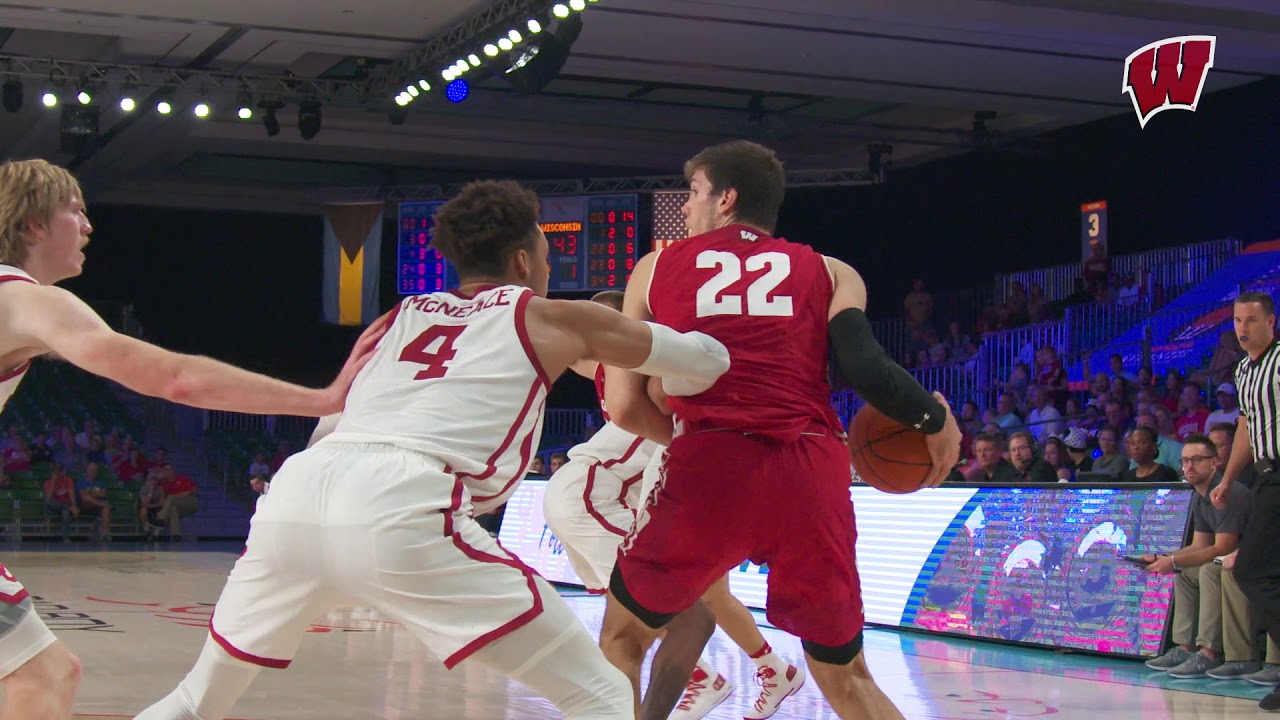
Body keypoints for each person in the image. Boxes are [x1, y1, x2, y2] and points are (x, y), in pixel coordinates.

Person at [134, 179, 732, 720]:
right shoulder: (552, 316)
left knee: (195, 701)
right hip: (401, 500)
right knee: (599, 694)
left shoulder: (399, 316)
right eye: (547, 257)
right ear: (524, 259)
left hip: (299, 491)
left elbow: (339, 416)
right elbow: (705, 359)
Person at [0, 158, 383, 720]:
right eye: (75, 211)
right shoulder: (28, 300)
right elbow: (172, 377)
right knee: (44, 675)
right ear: (34, 226)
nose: (87, 226)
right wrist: (323, 399)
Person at [598, 140, 962, 720]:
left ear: (727, 198)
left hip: (709, 469)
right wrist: (934, 419)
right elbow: (866, 368)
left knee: (621, 640)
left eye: (693, 195)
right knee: (849, 679)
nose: (686, 210)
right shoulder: (831, 270)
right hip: (809, 472)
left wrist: (698, 441)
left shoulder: (655, 268)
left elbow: (622, 404)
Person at [544, 292, 806, 720]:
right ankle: (770, 669)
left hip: (691, 474)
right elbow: (567, 341)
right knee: (711, 595)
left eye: (601, 324)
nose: (591, 335)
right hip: (667, 486)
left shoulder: (651, 360)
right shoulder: (599, 364)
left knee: (669, 595)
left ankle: (706, 675)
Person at [1211, 291, 1280, 711]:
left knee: (1252, 570)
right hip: (1266, 477)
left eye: (1251, 320)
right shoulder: (1243, 372)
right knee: (1258, 572)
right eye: (1237, 320)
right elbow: (1246, 430)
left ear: (1271, 322)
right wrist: (1228, 478)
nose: (1242, 328)